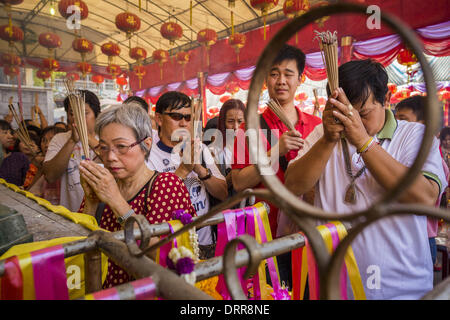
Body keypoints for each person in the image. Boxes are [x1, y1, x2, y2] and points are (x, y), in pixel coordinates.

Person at [285, 59, 447, 299]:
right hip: (335, 288)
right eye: (345, 114)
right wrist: (328, 140)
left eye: (363, 114)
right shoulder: (323, 134)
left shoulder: (415, 135)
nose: (353, 123)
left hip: (402, 290)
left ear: (387, 100)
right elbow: (292, 186)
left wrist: (364, 142)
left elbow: (424, 196)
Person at [79, 103, 196, 288]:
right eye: (103, 147)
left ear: (146, 144)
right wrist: (92, 203)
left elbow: (163, 254)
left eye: (121, 146)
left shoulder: (165, 185)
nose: (110, 157)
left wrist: (115, 200)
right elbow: (80, 244)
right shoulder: (103, 184)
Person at [232, 44, 322, 239]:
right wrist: (275, 152)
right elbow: (238, 182)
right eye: (274, 74)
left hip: (312, 231)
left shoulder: (318, 126)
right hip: (267, 235)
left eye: (288, 74)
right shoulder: (246, 129)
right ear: (266, 79)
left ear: (300, 79)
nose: (281, 81)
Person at [148, 91, 227, 259]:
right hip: (169, 247)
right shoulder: (148, 155)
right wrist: (184, 169)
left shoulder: (201, 149)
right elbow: (154, 204)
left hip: (205, 244)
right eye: (176, 116)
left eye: (188, 117)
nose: (184, 123)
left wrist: (199, 169)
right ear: (159, 119)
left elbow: (223, 193)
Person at [394, 95, 448, 269]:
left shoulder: (434, 161)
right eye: (396, 119)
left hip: (423, 237)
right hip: (401, 237)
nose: (398, 126)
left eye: (403, 120)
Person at [42, 90, 101, 212]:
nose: (77, 118)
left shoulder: (106, 138)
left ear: (97, 115)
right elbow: (50, 176)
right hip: (70, 213)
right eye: (72, 113)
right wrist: (72, 141)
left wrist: (87, 137)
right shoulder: (59, 139)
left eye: (84, 113)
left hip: (101, 211)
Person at [28, 126, 66, 204]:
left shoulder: (69, 166)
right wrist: (40, 169)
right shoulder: (40, 164)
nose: (47, 145)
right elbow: (30, 192)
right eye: (44, 140)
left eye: (53, 140)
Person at [0, 120, 29, 186]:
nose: (11, 136)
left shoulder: (19, 157)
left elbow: (28, 183)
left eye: (10, 133)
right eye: (5, 132)